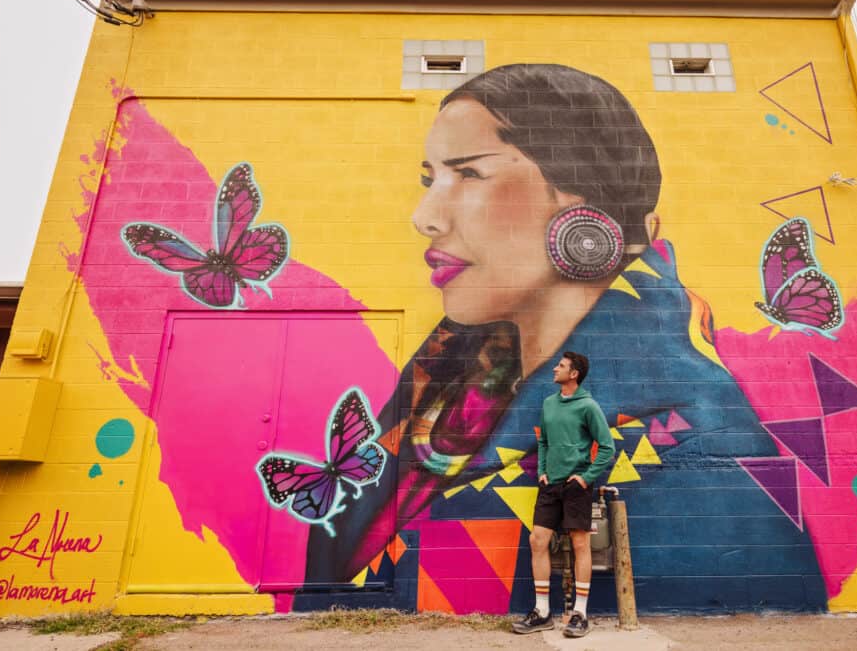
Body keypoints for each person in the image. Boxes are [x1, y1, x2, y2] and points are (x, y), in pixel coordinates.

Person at [303, 64, 826, 613]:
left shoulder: (690, 440)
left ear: (584, 206)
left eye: (470, 174)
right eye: (430, 179)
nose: (425, 216)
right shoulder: (455, 379)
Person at [512, 351, 614, 637]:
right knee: (537, 540)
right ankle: (542, 611)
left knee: (580, 545)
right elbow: (543, 441)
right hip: (550, 485)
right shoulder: (548, 403)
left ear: (574, 374)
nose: (554, 368)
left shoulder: (588, 407)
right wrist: (542, 471)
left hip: (576, 486)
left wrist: (586, 478)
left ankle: (580, 614)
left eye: (561, 366)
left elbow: (607, 448)